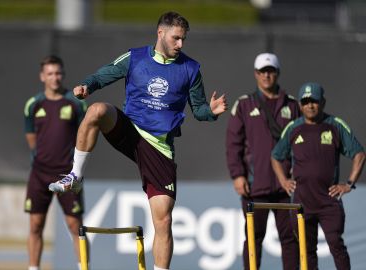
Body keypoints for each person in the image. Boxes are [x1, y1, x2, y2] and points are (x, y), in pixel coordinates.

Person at [48, 11, 227, 270]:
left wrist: (210, 112)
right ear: (161, 33)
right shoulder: (135, 57)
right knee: (96, 110)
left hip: (160, 147)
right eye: (176, 38)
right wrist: (87, 85)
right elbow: (104, 74)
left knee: (163, 220)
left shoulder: (191, 68)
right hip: (129, 130)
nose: (180, 45)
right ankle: (75, 175)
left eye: (183, 40)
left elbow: (199, 110)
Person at [271, 82, 365, 270]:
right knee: (306, 251)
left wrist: (348, 184)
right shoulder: (293, 128)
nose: (310, 106)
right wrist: (283, 180)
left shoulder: (335, 125)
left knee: (336, 246)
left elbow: (359, 154)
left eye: (314, 101)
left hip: (329, 202)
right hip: (301, 203)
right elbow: (275, 156)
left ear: (322, 102)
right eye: (305, 102)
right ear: (299, 105)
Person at [226, 53, 301, 269]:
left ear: (277, 73)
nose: (266, 76)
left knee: (291, 238)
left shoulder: (293, 105)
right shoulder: (244, 105)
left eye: (270, 71)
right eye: (262, 71)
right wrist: (238, 175)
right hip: (254, 184)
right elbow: (233, 144)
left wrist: (297, 174)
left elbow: (300, 144)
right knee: (253, 237)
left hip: (285, 186)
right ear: (256, 74)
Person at [23, 55, 87, 270]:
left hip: (67, 174)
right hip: (39, 173)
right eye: (50, 73)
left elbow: (84, 136)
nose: (55, 77)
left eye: (58, 73)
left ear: (63, 74)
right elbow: (31, 138)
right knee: (35, 224)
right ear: (42, 76)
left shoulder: (76, 103)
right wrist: (42, 158)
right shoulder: (33, 105)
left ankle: (83, 267)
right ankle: (34, 268)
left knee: (74, 225)